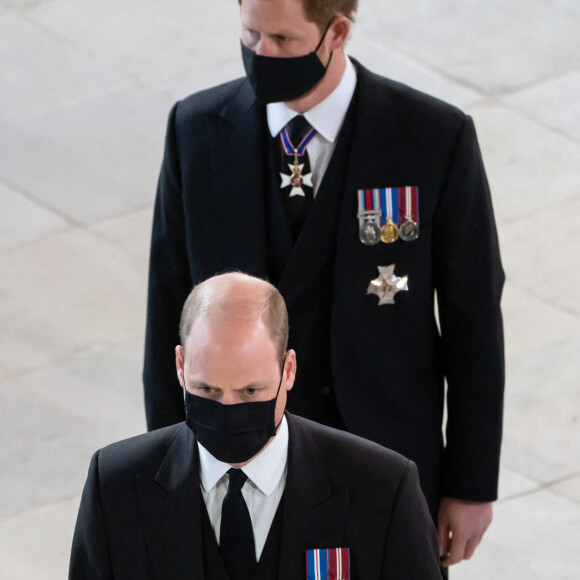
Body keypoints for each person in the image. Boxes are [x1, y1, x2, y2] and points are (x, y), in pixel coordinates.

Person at [144, 0, 504, 568]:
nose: (261, 54)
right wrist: (166, 475)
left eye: (283, 41)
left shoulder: (433, 137)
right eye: (250, 34)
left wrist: (471, 484)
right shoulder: (196, 131)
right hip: (236, 466)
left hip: (386, 466)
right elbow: (169, 310)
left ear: (336, 31)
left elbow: (474, 321)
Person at [70, 273, 442, 579]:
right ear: (180, 366)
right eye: (207, 389)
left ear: (289, 369)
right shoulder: (115, 486)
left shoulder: (382, 489)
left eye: (251, 391)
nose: (228, 409)